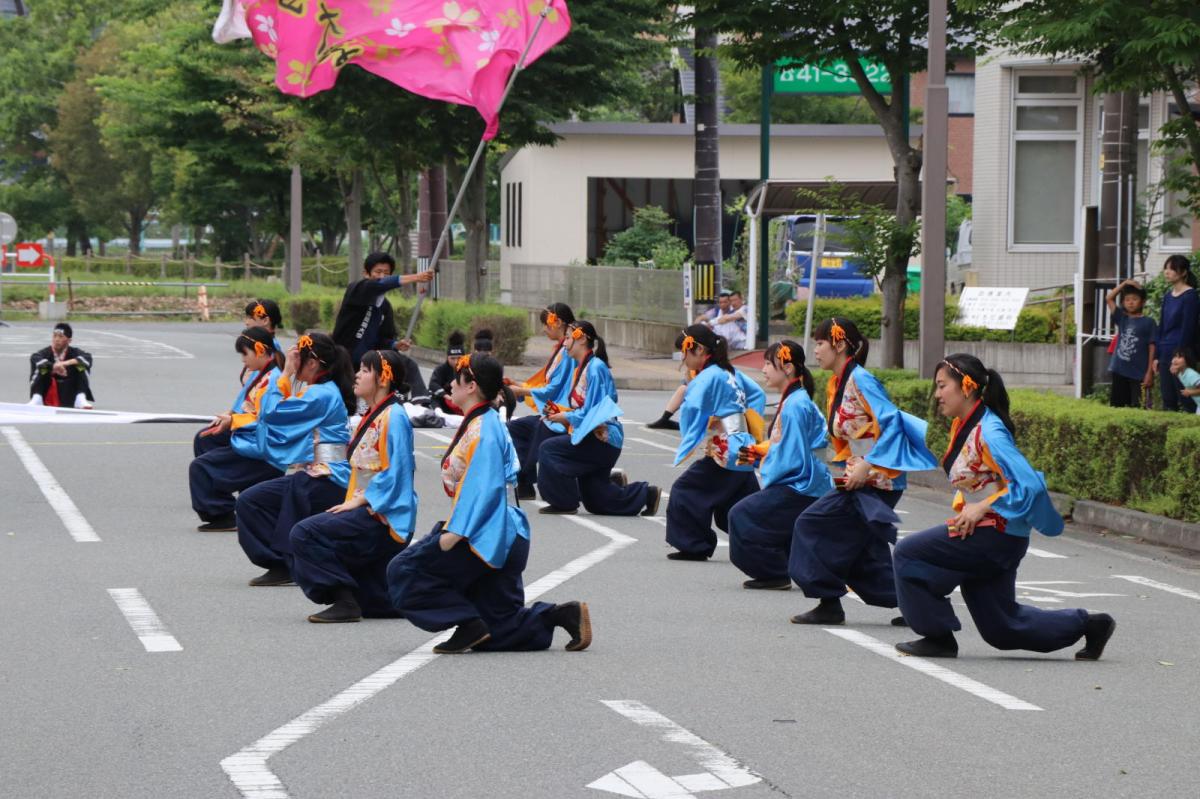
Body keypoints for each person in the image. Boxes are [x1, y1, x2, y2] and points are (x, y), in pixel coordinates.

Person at [893, 354, 1116, 659]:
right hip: (995, 536)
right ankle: (1090, 625)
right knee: (1002, 628)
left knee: (909, 554)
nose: (937, 395)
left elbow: (1030, 485)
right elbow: (985, 481)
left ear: (967, 388)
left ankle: (937, 636)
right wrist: (971, 509)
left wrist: (981, 507)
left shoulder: (991, 431)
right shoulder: (966, 425)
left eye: (942, 386)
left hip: (995, 535)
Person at [386, 352, 593, 654]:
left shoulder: (483, 429)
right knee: (499, 628)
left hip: (486, 532)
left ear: (471, 386)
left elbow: (483, 488)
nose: (450, 385)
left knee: (404, 571)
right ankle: (560, 615)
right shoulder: (484, 421)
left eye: (456, 379)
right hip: (505, 532)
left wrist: (455, 533)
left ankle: (468, 622)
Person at [788, 318, 938, 625]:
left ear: (840, 345)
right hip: (859, 478)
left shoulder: (862, 381)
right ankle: (918, 604)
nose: (815, 350)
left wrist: (867, 465)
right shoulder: (838, 382)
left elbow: (892, 425)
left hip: (876, 480)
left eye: (820, 343)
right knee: (865, 553)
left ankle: (829, 602)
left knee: (812, 525)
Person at [289, 350, 418, 622]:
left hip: (383, 513)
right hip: (368, 506)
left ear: (383, 379)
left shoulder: (394, 417)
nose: (357, 375)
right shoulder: (375, 414)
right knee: (379, 602)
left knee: (305, 533)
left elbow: (399, 472)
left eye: (365, 370)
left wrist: (362, 500)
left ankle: (342, 600)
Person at [235, 332, 356, 587]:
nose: (293, 361)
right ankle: (280, 563)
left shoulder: (321, 394)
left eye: (297, 357)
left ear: (312, 363)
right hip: (315, 472)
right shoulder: (317, 391)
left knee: (286, 501)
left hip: (330, 477)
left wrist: (285, 373)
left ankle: (294, 562)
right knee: (250, 501)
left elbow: (270, 412)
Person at [727, 340, 833, 589]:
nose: (763, 369)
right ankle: (781, 566)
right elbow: (783, 446)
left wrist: (759, 458)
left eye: (768, 363)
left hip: (801, 484)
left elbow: (792, 456)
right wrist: (757, 453)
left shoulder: (795, 405)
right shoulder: (794, 400)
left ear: (787, 368)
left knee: (741, 516)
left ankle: (774, 571)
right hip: (805, 481)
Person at [663, 324, 766, 561]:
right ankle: (770, 545)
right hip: (742, 444)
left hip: (726, 450)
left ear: (698, 350)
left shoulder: (707, 377)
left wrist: (691, 434)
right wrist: (751, 424)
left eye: (684, 352)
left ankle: (694, 545)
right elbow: (758, 395)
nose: (683, 358)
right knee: (737, 508)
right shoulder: (729, 372)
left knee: (685, 491)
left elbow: (692, 408)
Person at [537, 321, 660, 516]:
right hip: (594, 438)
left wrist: (565, 417)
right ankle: (645, 494)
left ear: (582, 338)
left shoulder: (595, 368)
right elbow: (586, 409)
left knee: (549, 449)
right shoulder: (584, 368)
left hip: (602, 438)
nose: (565, 343)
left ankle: (564, 501)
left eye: (568, 338)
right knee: (597, 500)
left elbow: (595, 411)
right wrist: (561, 413)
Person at [188, 328, 285, 531]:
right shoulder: (262, 374)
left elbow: (266, 420)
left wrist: (233, 421)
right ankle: (221, 486)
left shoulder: (273, 381)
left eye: (245, 354)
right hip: (251, 434)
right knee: (205, 438)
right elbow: (246, 406)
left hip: (262, 445)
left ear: (259, 351)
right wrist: (230, 417)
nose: (242, 360)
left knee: (201, 467)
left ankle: (221, 510)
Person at [331, 251, 432, 394]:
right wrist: (417, 277)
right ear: (366, 274)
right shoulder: (357, 289)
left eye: (386, 273)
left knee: (409, 365)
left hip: (370, 365)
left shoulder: (385, 307)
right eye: (378, 272)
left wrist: (395, 344)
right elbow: (379, 284)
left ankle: (421, 404)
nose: (382, 276)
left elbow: (384, 338)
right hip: (344, 362)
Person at [506, 304, 576, 499]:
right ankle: (525, 484)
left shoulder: (568, 352)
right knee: (515, 428)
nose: (544, 329)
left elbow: (552, 389)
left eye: (546, 324)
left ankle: (531, 482)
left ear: (558, 322)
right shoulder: (562, 350)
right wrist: (520, 386)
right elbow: (547, 384)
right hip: (553, 411)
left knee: (538, 444)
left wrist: (521, 389)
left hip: (563, 414)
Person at [1153, 255, 1199, 412]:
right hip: (1165, 352)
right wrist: (1157, 357)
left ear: (1183, 272)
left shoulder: (1190, 296)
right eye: (1166, 268)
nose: (1167, 272)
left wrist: (1180, 356)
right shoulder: (1167, 296)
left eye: (1172, 269)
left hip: (1181, 354)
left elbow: (1188, 329)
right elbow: (1162, 327)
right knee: (1168, 400)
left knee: (1187, 399)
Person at [1105, 280, 1156, 408]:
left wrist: (1149, 372)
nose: (1131, 302)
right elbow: (1109, 298)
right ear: (1123, 302)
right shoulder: (1122, 318)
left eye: (1134, 299)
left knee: (1138, 407)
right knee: (1117, 407)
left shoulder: (1149, 322)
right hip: (1119, 369)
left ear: (1143, 302)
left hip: (1139, 373)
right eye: (1127, 300)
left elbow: (1152, 347)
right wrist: (1125, 284)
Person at [27, 323, 94, 409]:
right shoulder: (45, 352)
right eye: (54, 336)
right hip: (48, 392)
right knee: (41, 366)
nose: (56, 339)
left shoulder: (74, 352)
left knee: (81, 365)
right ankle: (37, 397)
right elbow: (34, 357)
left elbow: (88, 357)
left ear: (69, 340)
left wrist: (64, 363)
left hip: (68, 392)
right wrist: (53, 367)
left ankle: (80, 397)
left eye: (61, 337)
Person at [428, 331, 468, 415]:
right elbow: (433, 384)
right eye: (452, 358)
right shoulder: (441, 369)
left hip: (461, 402)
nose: (456, 361)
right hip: (444, 399)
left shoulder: (468, 369)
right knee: (433, 397)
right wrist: (446, 396)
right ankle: (439, 413)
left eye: (459, 358)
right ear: (447, 357)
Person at [1169, 348, 1200, 413]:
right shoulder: (1180, 373)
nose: (1175, 360)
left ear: (1187, 360)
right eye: (1174, 356)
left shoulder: (1191, 374)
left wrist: (1190, 392)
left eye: (1179, 357)